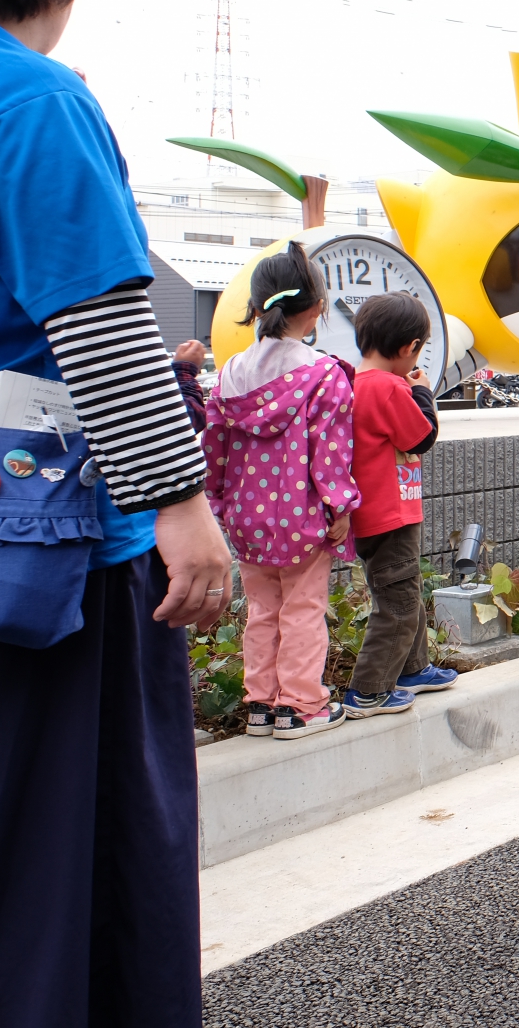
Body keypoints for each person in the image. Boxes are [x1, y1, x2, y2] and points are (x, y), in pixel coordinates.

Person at [0, 0, 230, 1028]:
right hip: (44, 560)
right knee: (58, 872)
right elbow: (102, 323)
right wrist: (183, 505)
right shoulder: (28, 98)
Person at [203, 244, 361, 740]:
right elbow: (330, 453)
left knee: (263, 610)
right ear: (315, 309)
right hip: (303, 515)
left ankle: (259, 704)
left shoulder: (228, 375)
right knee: (302, 609)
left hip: (245, 516)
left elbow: (215, 451)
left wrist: (220, 506)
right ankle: (300, 704)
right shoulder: (323, 375)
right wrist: (340, 506)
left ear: (256, 307)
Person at [344, 292, 452, 718]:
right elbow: (421, 436)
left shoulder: (355, 383)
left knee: (402, 590)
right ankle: (369, 689)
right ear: (409, 348)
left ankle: (414, 668)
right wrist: (423, 393)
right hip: (391, 515)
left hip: (374, 515)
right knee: (400, 603)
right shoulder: (388, 387)